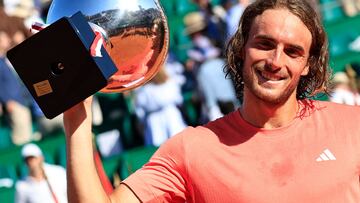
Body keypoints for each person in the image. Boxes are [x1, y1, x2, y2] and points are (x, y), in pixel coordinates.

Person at [63, 0, 360, 202]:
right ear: (241, 48)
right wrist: (77, 114)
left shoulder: (352, 127)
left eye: (293, 51)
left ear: (308, 64)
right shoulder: (191, 150)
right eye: (265, 44)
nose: (275, 61)